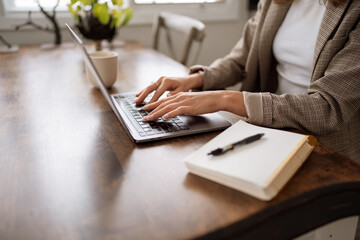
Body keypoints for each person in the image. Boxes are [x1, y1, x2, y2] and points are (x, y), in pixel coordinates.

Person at [135, 0, 360, 164]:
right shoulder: (276, 2)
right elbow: (240, 59)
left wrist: (223, 98)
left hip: (328, 149)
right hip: (271, 129)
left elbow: (328, 108)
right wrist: (196, 79)